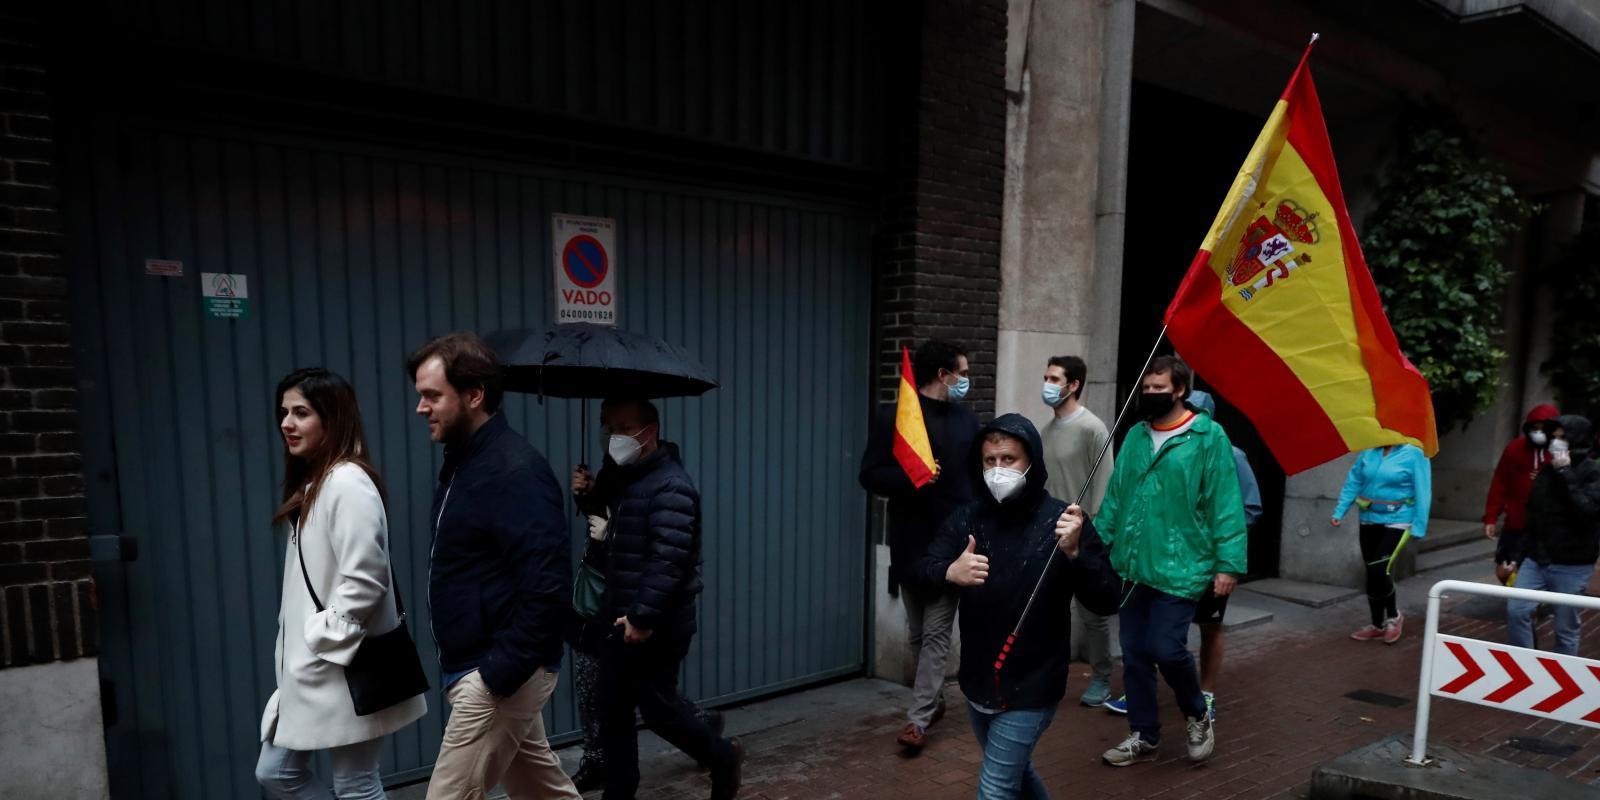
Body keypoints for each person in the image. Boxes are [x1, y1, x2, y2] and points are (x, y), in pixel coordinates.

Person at [409, 333, 579, 800]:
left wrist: (496, 675)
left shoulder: (514, 470)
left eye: (432, 396)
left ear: (474, 395)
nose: (421, 408)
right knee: (544, 792)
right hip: (486, 664)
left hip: (499, 672)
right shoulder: (465, 463)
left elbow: (548, 589)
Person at [915, 414, 1122, 799]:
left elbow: (1108, 598)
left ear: (1032, 462)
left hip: (1033, 685)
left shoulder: (1065, 522)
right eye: (989, 460)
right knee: (1018, 772)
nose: (997, 469)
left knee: (995, 789)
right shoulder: (967, 517)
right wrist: (949, 570)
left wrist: (1077, 554)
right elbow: (922, 567)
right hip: (979, 679)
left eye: (1008, 459)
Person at [256, 368, 427, 800]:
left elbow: (367, 579)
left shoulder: (347, 482)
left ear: (331, 419)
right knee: (276, 771)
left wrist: (321, 638)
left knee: (355, 785)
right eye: (284, 413)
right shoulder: (319, 481)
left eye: (300, 413)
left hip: (343, 666)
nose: (286, 424)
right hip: (317, 670)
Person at [571, 397, 743, 800]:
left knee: (660, 711)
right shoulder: (625, 477)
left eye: (621, 426)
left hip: (656, 627)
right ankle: (619, 791)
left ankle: (722, 757)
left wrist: (643, 616)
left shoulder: (671, 486)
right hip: (617, 619)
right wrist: (588, 496)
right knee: (613, 710)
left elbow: (668, 560)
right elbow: (618, 530)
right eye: (607, 425)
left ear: (649, 433)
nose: (612, 435)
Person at [1096, 356, 1246, 768]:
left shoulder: (1207, 437)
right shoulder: (1135, 437)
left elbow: (1225, 502)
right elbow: (1116, 497)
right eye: (1145, 388)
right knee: (1134, 654)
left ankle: (1196, 711)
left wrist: (1229, 564)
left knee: (1165, 647)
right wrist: (1094, 546)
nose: (1149, 395)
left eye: (1158, 388)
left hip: (1182, 566)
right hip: (1132, 566)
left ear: (1179, 390)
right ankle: (1144, 735)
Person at [858, 339, 980, 752]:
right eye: (961, 373)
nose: (966, 380)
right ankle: (935, 700)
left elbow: (977, 481)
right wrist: (911, 477)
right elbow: (870, 475)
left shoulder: (968, 422)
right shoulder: (894, 416)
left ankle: (918, 719)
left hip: (952, 545)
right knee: (916, 632)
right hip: (910, 539)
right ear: (943, 375)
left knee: (935, 634)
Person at [1038, 355, 1118, 709]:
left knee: (1092, 614)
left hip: (1083, 533)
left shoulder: (1093, 428)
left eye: (1055, 378)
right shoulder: (1044, 432)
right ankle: (1049, 672)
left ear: (1074, 385)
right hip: (1050, 531)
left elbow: (1105, 483)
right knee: (1052, 607)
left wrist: (1096, 535)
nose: (1048, 384)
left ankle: (1102, 677)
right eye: (1046, 377)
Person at [1187, 391, 1261, 721]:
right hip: (1172, 560)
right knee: (1161, 629)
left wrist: (1219, 549)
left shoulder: (1232, 455)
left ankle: (1206, 693)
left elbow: (1249, 508)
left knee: (1209, 627)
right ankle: (1141, 688)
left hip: (1210, 562)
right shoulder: (1172, 450)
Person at [1507, 415, 1600, 656]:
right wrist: (1517, 555)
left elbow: (1588, 510)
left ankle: (1563, 676)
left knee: (1564, 625)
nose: (1555, 442)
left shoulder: (1592, 472)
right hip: (1537, 559)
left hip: (1572, 563)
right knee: (1517, 610)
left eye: (1563, 437)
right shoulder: (1546, 472)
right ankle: (1524, 663)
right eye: (1554, 437)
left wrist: (1566, 473)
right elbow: (1534, 516)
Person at [1330, 442, 1432, 645]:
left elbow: (1423, 490)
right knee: (1371, 571)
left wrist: (1419, 526)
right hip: (1368, 518)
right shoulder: (1369, 450)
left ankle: (1394, 617)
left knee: (1379, 569)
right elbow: (1354, 480)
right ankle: (1377, 625)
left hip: (1399, 519)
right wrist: (1340, 510)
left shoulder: (1414, 453)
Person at [1485, 403, 1561, 585]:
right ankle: (1518, 599)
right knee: (1504, 568)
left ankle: (1537, 603)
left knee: (1545, 568)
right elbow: (1500, 483)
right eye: (1535, 428)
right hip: (1517, 523)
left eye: (1544, 429)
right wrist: (1491, 517)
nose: (1539, 433)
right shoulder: (1515, 449)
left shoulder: (1561, 452)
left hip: (1548, 526)